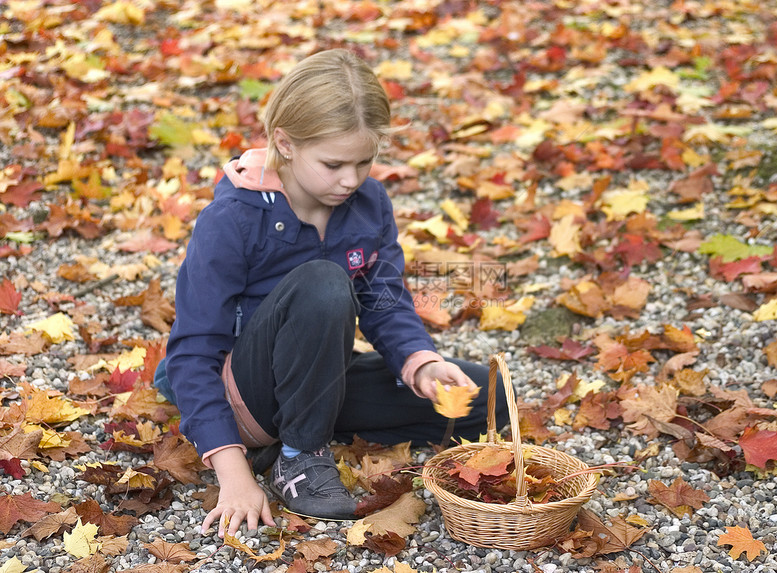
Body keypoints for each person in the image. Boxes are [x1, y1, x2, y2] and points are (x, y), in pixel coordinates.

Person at [154, 49, 510, 539]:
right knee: (322, 280)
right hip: (244, 395)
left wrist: (421, 362)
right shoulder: (233, 220)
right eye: (334, 163)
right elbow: (192, 351)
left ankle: (302, 431)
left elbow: (383, 298)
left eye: (365, 161)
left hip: (317, 380)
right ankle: (298, 458)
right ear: (286, 143)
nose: (350, 180)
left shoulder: (368, 204)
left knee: (485, 400)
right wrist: (232, 473)